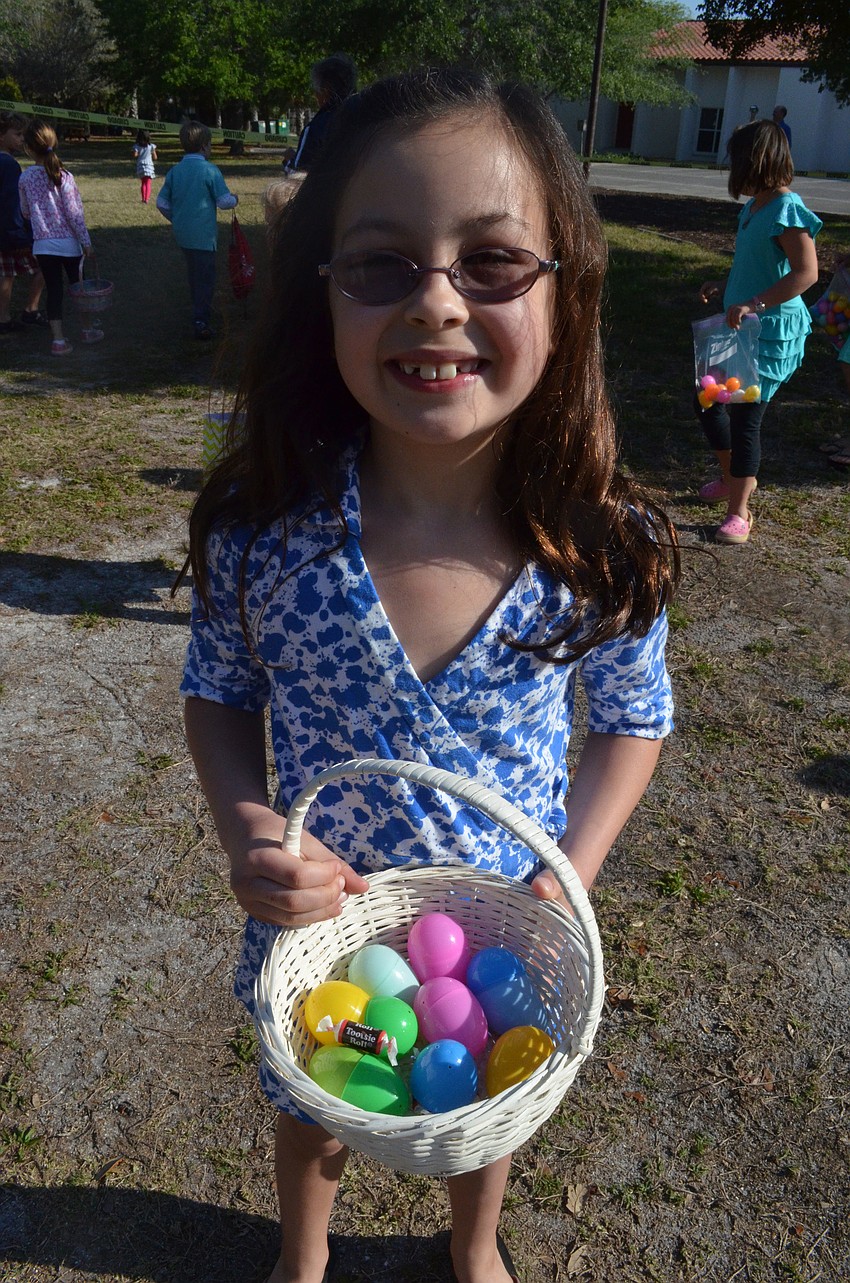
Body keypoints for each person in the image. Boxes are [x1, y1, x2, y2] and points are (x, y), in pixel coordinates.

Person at [180, 68, 680, 1283]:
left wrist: (571, 874)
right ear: (325, 293)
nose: (437, 303)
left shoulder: (598, 544)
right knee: (311, 1096)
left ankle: (473, 1241)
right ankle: (303, 1252)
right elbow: (219, 689)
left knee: (479, 1095)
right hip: (321, 920)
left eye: (494, 262)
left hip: (503, 924)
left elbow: (631, 720)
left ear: (568, 289)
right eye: (382, 264)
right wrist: (251, 820)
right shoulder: (268, 527)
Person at [697, 119, 820, 544]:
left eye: (736, 160)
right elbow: (756, 267)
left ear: (756, 161)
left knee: (746, 416)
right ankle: (736, 478)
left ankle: (739, 512)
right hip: (742, 326)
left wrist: (755, 304)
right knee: (708, 402)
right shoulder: (753, 209)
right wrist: (725, 286)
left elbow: (806, 274)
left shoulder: (787, 209)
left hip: (770, 333)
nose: (732, 168)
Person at [18, 119, 97, 356]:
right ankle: (87, 329)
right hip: (69, 245)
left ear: (29, 148)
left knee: (54, 291)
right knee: (78, 288)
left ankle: (58, 341)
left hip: (43, 245)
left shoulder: (25, 178)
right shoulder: (65, 176)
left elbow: (25, 212)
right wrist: (86, 242)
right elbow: (75, 214)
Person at [156, 120, 237, 340]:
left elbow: (161, 203)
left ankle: (198, 308)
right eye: (210, 145)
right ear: (204, 146)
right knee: (206, 278)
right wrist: (235, 199)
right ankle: (201, 320)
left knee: (194, 274)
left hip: (183, 234)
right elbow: (223, 201)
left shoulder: (175, 171)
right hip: (204, 235)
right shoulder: (210, 170)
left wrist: (178, 219)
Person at [0, 111, 48, 333]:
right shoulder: (9, 165)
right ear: (2, 136)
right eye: (17, 134)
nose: (21, 139)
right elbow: (11, 204)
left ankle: (4, 317)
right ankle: (30, 309)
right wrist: (19, 235)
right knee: (44, 265)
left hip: (6, 231)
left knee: (6, 274)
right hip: (11, 232)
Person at [282, 53, 357, 173]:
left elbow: (299, 177)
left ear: (325, 90)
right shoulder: (367, 118)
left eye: (316, 89)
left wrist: (289, 160)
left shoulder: (317, 127)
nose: (315, 95)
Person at [132, 128, 157, 204]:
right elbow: (155, 157)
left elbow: (135, 155)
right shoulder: (151, 146)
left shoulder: (137, 146)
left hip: (141, 166)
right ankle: (147, 199)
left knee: (143, 183)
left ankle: (143, 198)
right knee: (148, 183)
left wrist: (138, 153)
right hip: (149, 166)